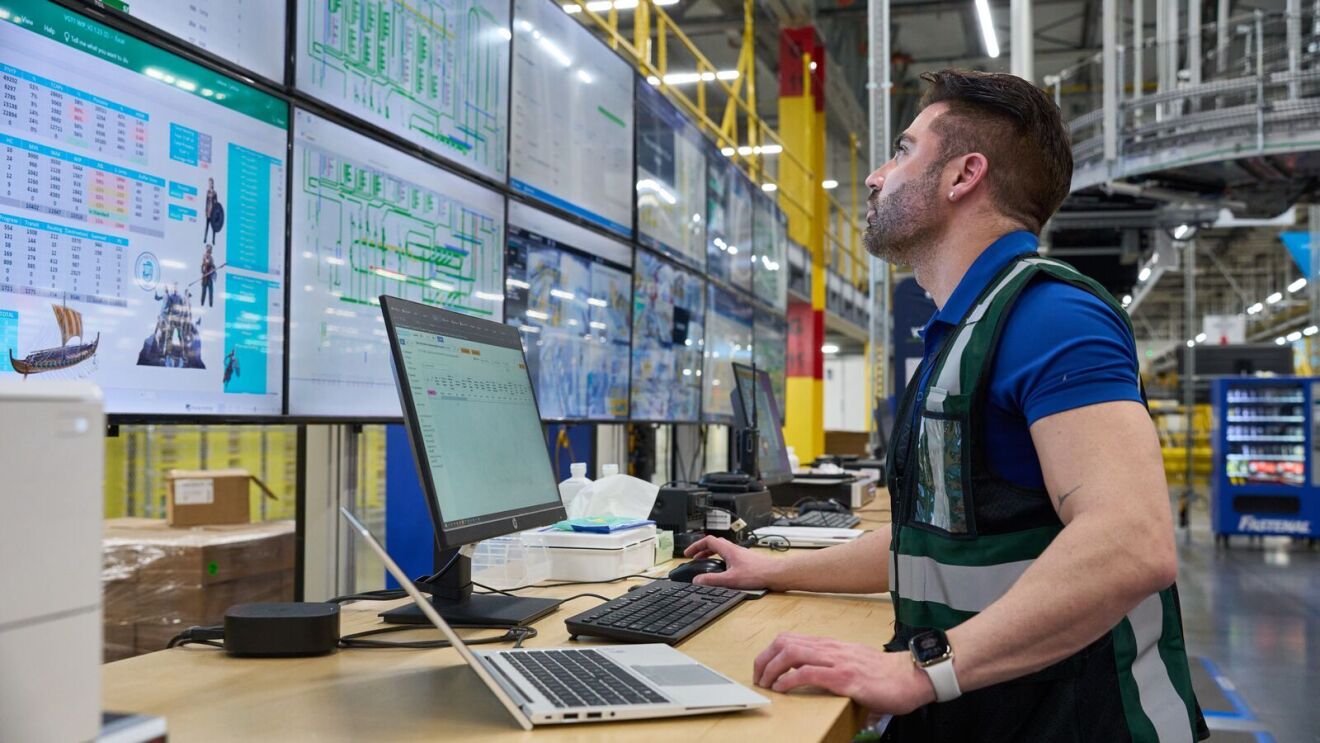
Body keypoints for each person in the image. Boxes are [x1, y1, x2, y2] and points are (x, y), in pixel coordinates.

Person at [685, 69, 1207, 742]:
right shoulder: (962, 332)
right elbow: (931, 543)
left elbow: (1131, 543)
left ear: (964, 176)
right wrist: (772, 568)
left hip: (1078, 721)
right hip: (989, 709)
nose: (876, 176)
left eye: (902, 150)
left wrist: (924, 670)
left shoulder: (1051, 315)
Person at [203, 178, 217, 242]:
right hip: (208, 211)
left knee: (213, 227)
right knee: (207, 226)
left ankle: (213, 240)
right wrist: (205, 211)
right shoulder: (207, 192)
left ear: (212, 184)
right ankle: (205, 238)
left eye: (210, 183)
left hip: (213, 212)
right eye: (209, 183)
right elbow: (206, 202)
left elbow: (216, 203)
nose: (209, 184)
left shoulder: (215, 193)